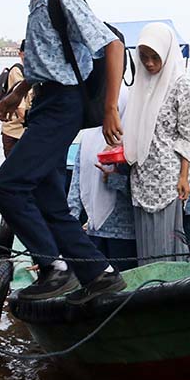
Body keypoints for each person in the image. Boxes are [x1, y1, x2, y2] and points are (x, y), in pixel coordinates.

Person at [0, 0, 126, 303]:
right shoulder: (38, 1)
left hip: (62, 105)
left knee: (7, 186)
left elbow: (111, 45)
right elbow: (49, 60)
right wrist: (18, 93)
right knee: (49, 200)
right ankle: (100, 274)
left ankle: (53, 268)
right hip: (45, 100)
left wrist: (111, 108)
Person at [122, 22, 190, 266]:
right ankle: (147, 287)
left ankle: (168, 289)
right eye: (144, 58)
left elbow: (187, 135)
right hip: (142, 173)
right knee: (145, 241)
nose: (150, 64)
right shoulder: (141, 83)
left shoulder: (180, 84)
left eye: (155, 57)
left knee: (167, 241)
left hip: (168, 176)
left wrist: (184, 176)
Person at [67, 94, 137, 270]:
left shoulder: (132, 141)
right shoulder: (89, 136)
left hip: (125, 232)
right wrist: (70, 224)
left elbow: (141, 189)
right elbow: (77, 181)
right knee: (97, 283)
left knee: (124, 283)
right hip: (93, 226)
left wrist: (113, 178)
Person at [0, 39, 32, 259]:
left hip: (23, 132)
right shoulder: (19, 72)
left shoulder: (34, 71)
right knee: (16, 183)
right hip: (15, 133)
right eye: (26, 53)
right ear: (20, 54)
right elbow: (21, 106)